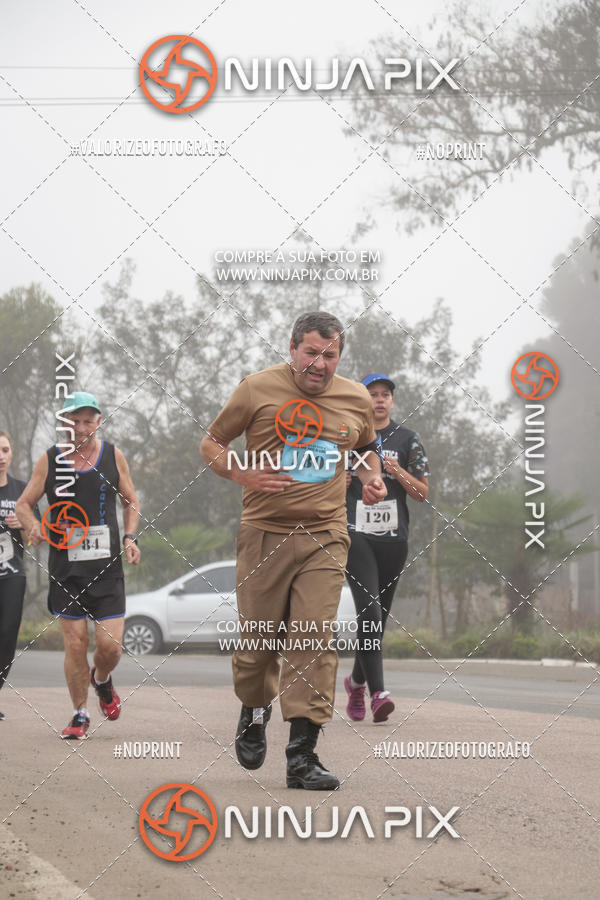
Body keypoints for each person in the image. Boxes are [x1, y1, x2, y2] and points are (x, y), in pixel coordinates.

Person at [200, 312, 387, 790]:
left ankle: (302, 755)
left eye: (330, 355)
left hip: (326, 534)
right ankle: (253, 710)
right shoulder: (256, 389)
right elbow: (212, 443)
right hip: (264, 531)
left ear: (340, 356)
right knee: (258, 643)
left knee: (314, 639)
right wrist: (242, 474)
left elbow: (365, 449)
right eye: (311, 352)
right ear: (292, 347)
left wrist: (371, 479)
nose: (319, 364)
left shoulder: (355, 398)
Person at [16, 392, 141, 740]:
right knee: (75, 644)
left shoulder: (113, 455)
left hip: (107, 570)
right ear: (64, 422)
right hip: (66, 571)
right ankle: (80, 714)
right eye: (74, 420)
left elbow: (131, 500)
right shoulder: (51, 460)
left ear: (98, 421)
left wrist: (131, 537)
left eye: (88, 420)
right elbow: (25, 504)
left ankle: (101, 679)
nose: (81, 427)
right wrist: (34, 526)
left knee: (109, 647)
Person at [344, 374, 429, 722]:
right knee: (369, 610)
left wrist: (396, 471)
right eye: (372, 394)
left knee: (377, 620)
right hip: (354, 533)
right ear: (363, 399)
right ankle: (379, 693)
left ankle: (355, 682)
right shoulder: (346, 434)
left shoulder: (408, 438)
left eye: (385, 395)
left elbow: (422, 492)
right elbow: (317, 478)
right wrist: (341, 479)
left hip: (394, 538)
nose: (379, 400)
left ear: (392, 401)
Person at [0, 430, 35, 720]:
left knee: (7, 634)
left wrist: (20, 524)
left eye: (5, 450)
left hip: (12, 574)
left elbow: (36, 536)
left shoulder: (21, 492)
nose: (0, 456)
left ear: (11, 454)